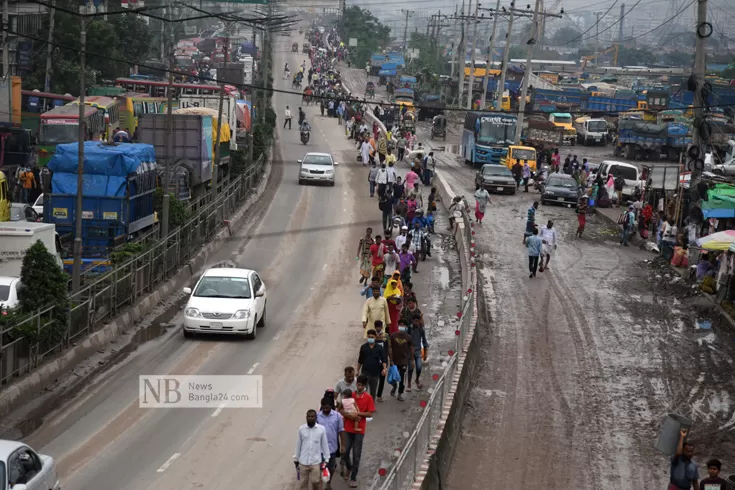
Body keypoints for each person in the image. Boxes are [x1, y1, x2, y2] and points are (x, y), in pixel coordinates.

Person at [339, 375, 375, 488]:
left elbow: (370, 413)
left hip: (359, 430)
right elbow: (340, 409)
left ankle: (353, 477)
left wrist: (358, 414)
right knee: (344, 452)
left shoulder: (368, 398)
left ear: (365, 386)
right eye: (358, 384)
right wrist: (349, 415)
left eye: (361, 385)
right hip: (348, 428)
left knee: (356, 455)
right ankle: (349, 467)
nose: (359, 386)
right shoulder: (350, 395)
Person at [293, 409, 330, 490]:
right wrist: (296, 458)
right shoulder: (301, 429)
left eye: (312, 417)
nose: (310, 418)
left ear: (316, 418)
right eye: (308, 417)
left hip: (315, 462)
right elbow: (298, 444)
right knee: (303, 484)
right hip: (303, 461)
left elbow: (324, 444)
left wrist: (326, 459)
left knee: (315, 482)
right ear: (306, 418)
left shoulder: (321, 429)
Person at [317, 399, 345, 490]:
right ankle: (320, 486)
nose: (325, 410)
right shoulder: (317, 416)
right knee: (320, 468)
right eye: (324, 408)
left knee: (331, 468)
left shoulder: (337, 416)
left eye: (327, 408)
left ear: (331, 406)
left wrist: (343, 445)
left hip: (332, 448)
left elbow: (341, 431)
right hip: (319, 448)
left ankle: (328, 483)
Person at [356, 329, 388, 399]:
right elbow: (360, 359)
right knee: (363, 391)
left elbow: (383, 359)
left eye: (372, 337)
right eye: (369, 337)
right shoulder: (363, 347)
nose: (370, 338)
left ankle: (371, 407)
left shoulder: (379, 348)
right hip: (365, 373)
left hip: (375, 373)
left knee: (373, 393)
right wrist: (357, 370)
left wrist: (384, 369)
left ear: (375, 337)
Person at [388, 319, 414, 401]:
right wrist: (391, 359)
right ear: (398, 326)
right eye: (400, 325)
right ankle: (394, 386)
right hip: (394, 360)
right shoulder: (393, 336)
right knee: (392, 377)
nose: (402, 326)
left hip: (404, 360)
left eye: (403, 325)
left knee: (402, 377)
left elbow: (412, 348)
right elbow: (390, 348)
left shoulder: (409, 337)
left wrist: (412, 360)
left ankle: (400, 393)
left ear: (406, 327)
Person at [406, 313, 428, 392]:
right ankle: (409, 384)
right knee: (410, 368)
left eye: (418, 321)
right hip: (410, 351)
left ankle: (417, 379)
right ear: (412, 321)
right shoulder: (409, 329)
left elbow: (424, 341)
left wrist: (425, 353)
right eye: (416, 321)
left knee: (419, 367)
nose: (417, 323)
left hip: (418, 351)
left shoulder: (421, 329)